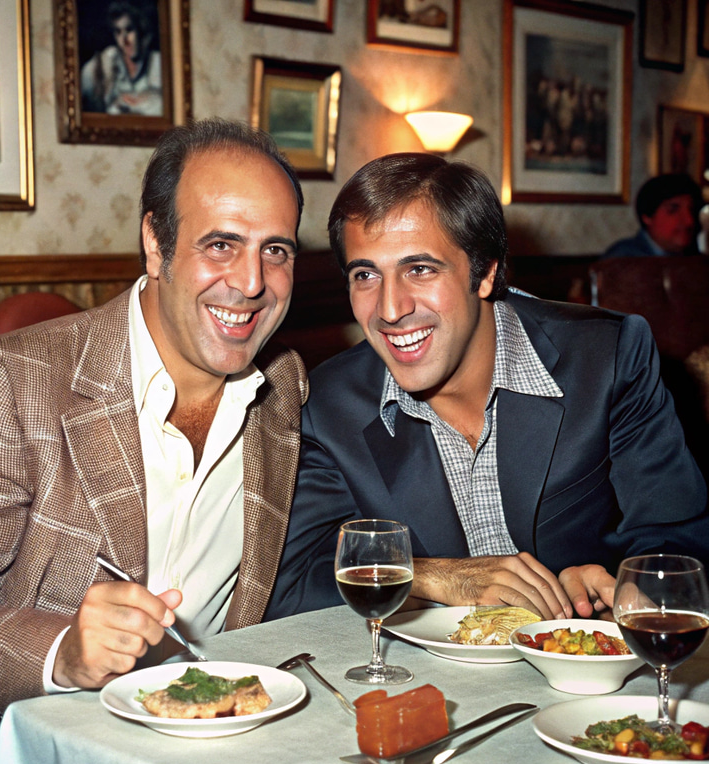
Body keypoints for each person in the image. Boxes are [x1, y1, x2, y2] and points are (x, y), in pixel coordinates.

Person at [0, 118, 306, 764]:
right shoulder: (8, 381)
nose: (251, 281)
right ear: (156, 243)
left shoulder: (284, 388)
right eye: (221, 244)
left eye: (277, 250)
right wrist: (64, 652)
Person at [265, 152, 708, 624]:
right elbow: (293, 585)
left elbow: (679, 540)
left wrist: (620, 585)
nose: (390, 309)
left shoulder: (608, 356)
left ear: (486, 273)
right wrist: (429, 574)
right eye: (365, 275)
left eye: (420, 269)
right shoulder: (326, 404)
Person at [80, 1, 162, 116]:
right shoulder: (106, 61)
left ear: (140, 30)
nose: (124, 40)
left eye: (129, 30)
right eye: (118, 32)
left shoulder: (157, 62)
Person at [601, 173, 702, 258]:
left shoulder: (694, 259)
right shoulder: (625, 259)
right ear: (647, 217)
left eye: (691, 210)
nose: (689, 221)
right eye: (673, 210)